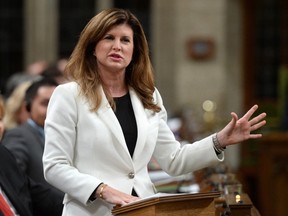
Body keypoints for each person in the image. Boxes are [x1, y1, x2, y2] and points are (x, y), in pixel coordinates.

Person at [42, 8, 266, 216]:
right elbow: (54, 166)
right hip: (92, 210)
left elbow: (173, 160)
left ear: (134, 51)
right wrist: (103, 189)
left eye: (125, 40)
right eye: (109, 38)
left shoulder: (148, 96)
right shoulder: (68, 95)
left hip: (143, 209)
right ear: (93, 46)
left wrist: (219, 141)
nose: (117, 46)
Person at [2, 78, 64, 214]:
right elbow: (17, 185)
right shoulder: (19, 136)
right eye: (45, 103)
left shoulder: (66, 136)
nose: (53, 109)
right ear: (27, 107)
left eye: (58, 104)